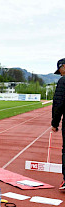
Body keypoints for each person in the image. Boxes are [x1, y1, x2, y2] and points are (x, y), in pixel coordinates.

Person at [51, 58, 65, 190]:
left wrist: (55, 123)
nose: (60, 74)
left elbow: (58, 103)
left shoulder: (63, 81)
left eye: (60, 70)